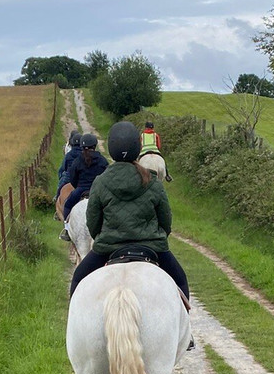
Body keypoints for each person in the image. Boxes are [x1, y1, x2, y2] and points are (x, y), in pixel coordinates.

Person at [69, 121, 190, 316]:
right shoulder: (152, 181)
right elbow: (166, 221)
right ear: (137, 147)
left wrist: (103, 237)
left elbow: (92, 222)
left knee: (77, 278)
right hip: (152, 247)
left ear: (112, 148)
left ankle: (72, 321)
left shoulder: (101, 182)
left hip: (108, 248)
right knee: (181, 279)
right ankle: (187, 331)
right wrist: (158, 237)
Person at [62, 133, 108, 222]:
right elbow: (106, 176)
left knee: (68, 205)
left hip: (80, 190)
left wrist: (77, 187)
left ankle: (66, 228)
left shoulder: (77, 160)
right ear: (95, 146)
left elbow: (73, 178)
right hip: (97, 191)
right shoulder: (102, 160)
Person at [56, 132, 82, 198]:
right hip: (82, 176)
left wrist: (61, 175)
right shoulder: (84, 155)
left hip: (69, 177)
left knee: (60, 188)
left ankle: (56, 197)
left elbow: (63, 167)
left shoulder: (68, 155)